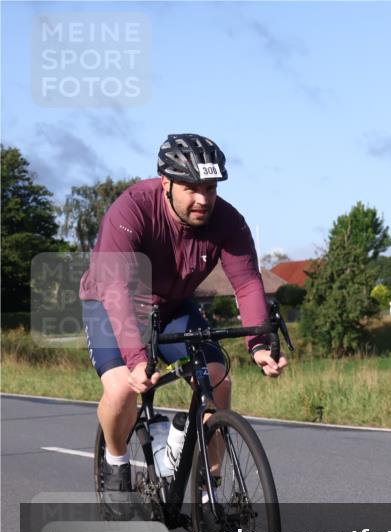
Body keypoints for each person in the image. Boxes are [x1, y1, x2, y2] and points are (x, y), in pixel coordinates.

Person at [79, 133, 288, 510]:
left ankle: (210, 489)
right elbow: (116, 289)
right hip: (111, 302)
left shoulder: (227, 221)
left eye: (209, 188)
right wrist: (137, 357)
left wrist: (258, 345)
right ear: (166, 183)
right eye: (192, 188)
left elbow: (246, 281)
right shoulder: (131, 211)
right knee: (123, 389)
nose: (202, 199)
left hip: (172, 306)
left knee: (218, 377)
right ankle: (115, 461)